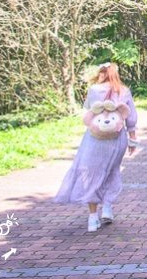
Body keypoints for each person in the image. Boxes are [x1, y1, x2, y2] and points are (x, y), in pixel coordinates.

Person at [55, 62, 138, 232]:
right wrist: (132, 137)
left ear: (102, 74)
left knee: (91, 174)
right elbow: (131, 116)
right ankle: (107, 208)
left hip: (95, 140)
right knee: (112, 171)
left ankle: (93, 218)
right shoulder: (124, 91)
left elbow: (88, 108)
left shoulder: (94, 90)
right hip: (117, 138)